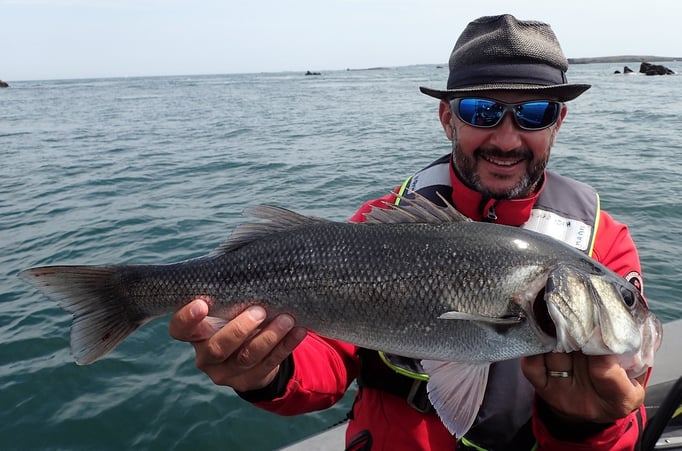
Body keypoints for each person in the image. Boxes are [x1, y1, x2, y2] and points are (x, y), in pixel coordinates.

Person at [169, 14, 649, 450]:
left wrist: (587, 426)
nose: (506, 139)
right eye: (480, 111)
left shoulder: (604, 244)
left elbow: (627, 416)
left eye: (535, 113)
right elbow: (328, 358)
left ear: (558, 123)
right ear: (447, 118)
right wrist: (267, 371)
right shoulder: (378, 224)